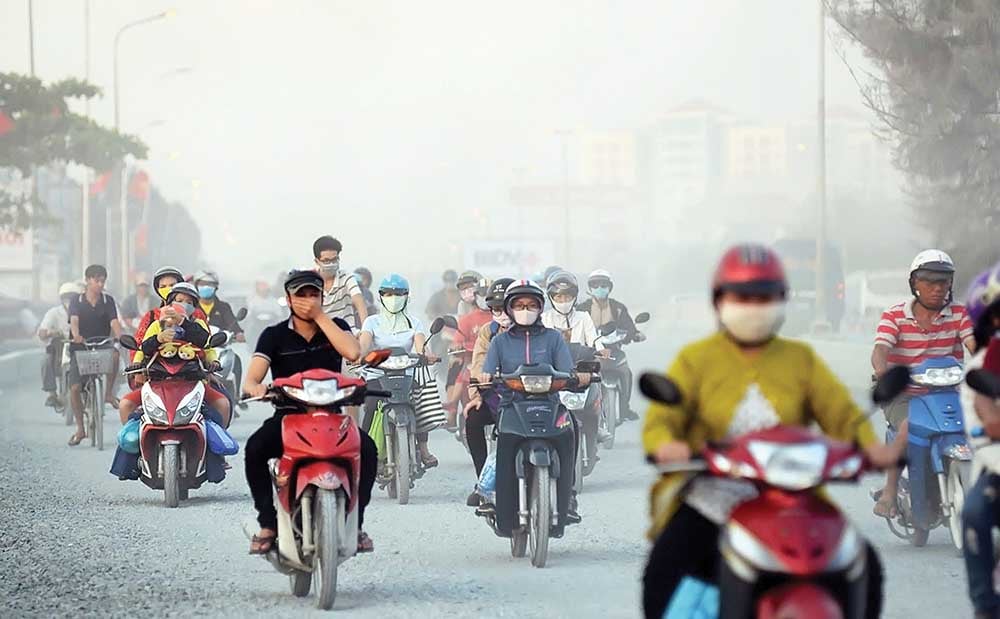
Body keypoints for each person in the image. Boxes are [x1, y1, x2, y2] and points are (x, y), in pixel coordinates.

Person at [641, 244, 901, 619]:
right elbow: (663, 418)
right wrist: (667, 445)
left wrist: (870, 448)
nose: (753, 306)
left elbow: (841, 414)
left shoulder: (800, 360)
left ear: (782, 301)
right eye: (742, 296)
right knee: (663, 571)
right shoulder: (695, 359)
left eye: (764, 296)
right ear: (720, 301)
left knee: (865, 565)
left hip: (795, 499)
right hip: (714, 496)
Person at [242, 269, 375, 554]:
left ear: (322, 297)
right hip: (289, 417)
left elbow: (353, 353)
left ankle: (357, 523)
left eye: (313, 294)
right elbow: (252, 378)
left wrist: (320, 317)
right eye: (300, 295)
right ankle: (267, 524)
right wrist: (257, 388)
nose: (307, 300)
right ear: (288, 299)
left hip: (333, 418)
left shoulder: (336, 325)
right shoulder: (273, 336)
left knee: (369, 449)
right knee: (254, 449)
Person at [871, 249, 975, 518]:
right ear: (914, 284)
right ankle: (890, 492)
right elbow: (881, 350)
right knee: (907, 427)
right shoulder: (894, 316)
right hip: (905, 394)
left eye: (943, 281)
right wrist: (883, 373)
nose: (937, 288)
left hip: (950, 392)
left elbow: (975, 343)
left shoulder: (959, 313)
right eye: (929, 281)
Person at [480, 279, 583, 524]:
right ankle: (499, 500)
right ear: (509, 309)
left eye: (531, 305)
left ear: (539, 308)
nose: (525, 310)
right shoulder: (499, 342)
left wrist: (578, 377)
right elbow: (487, 370)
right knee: (503, 440)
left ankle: (568, 496)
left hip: (550, 403)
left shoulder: (553, 338)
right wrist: (484, 377)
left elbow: (567, 370)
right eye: (519, 305)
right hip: (511, 404)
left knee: (572, 427)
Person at [120, 282, 231, 428]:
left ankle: (215, 447)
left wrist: (213, 362)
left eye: (188, 302)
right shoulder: (156, 325)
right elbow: (143, 348)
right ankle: (133, 447)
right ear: (169, 303)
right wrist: (158, 339)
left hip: (192, 381)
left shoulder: (197, 324)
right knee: (125, 404)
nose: (183, 305)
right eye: (179, 301)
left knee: (223, 404)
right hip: (157, 382)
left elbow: (205, 343)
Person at [358, 273, 440, 468]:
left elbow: (420, 345)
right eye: (387, 294)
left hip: (406, 373)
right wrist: (358, 354)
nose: (393, 298)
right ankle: (364, 451)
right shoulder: (371, 322)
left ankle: (423, 448)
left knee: (418, 401)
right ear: (380, 297)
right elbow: (364, 344)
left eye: (398, 294)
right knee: (371, 403)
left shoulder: (414, 322)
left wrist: (427, 354)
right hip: (378, 374)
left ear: (407, 297)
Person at [959, 262, 1000, 619]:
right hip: (998, 471)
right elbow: (989, 419)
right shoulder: (979, 371)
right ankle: (986, 606)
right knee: (974, 512)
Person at [541, 269, 611, 446]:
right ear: (551, 298)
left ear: (574, 297)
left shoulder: (583, 317)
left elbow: (594, 338)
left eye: (567, 296)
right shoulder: (544, 319)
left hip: (581, 367)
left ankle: (599, 423)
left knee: (598, 383)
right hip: (554, 370)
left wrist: (601, 349)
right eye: (558, 297)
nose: (563, 301)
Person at [461, 276, 513, 505]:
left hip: (532, 396)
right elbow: (478, 365)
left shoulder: (540, 330)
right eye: (495, 309)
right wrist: (476, 395)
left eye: (506, 308)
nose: (501, 314)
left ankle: (564, 489)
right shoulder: (488, 332)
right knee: (472, 419)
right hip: (497, 395)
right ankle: (484, 481)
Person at [576, 269, 644, 421]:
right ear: (590, 287)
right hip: (590, 353)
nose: (600, 288)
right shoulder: (582, 309)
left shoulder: (618, 308)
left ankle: (624, 408)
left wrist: (636, 334)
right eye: (596, 285)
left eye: (603, 285)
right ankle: (579, 408)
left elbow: (629, 327)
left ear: (609, 288)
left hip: (614, 351)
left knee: (627, 373)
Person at [67, 264, 123, 446]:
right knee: (75, 388)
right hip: (80, 347)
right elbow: (74, 320)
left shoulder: (108, 301)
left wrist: (120, 336)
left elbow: (114, 322)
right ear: (87, 280)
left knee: (115, 355)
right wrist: (76, 335)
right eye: (96, 280)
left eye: (102, 280)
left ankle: (107, 394)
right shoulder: (77, 300)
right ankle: (80, 429)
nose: (100, 284)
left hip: (102, 345)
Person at [444, 274, 492, 427]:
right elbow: (458, 338)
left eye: (487, 294)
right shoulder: (467, 317)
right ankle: (452, 408)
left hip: (499, 361)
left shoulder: (504, 316)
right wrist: (457, 347)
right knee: (461, 367)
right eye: (481, 294)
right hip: (471, 357)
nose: (484, 298)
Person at [313, 235, 368, 332]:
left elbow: (359, 301)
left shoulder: (346, 277)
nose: (331, 264)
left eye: (334, 259)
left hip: (347, 333)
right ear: (317, 261)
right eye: (326, 261)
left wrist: (366, 329)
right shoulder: (311, 281)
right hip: (321, 336)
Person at [39, 282, 81, 407]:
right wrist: (50, 332)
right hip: (59, 347)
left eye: (72, 297)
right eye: (66, 297)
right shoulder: (53, 313)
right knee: (45, 361)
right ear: (61, 299)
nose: (69, 300)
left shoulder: (83, 311)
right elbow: (42, 331)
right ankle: (52, 393)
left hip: (78, 346)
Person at [193, 270, 245, 341]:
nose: (206, 287)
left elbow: (232, 324)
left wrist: (238, 333)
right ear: (196, 286)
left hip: (220, 346)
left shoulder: (223, 307)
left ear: (216, 287)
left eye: (210, 284)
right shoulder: (192, 306)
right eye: (202, 284)